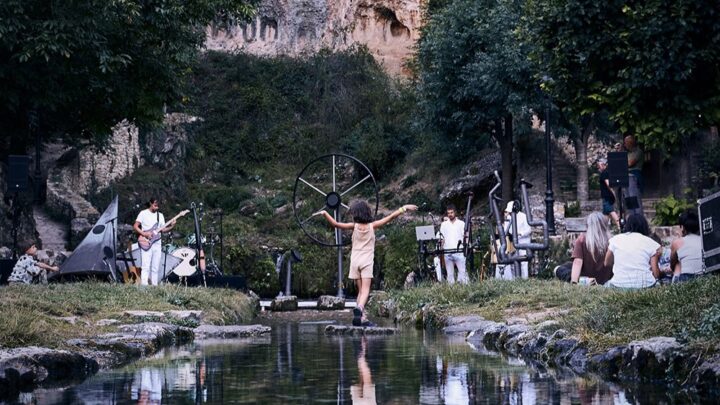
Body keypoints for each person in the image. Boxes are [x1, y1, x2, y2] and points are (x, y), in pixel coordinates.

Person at [317, 201, 417, 326]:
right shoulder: (373, 225)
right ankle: (359, 309)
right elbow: (391, 217)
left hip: (355, 261)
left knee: (360, 291)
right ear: (366, 213)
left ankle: (361, 319)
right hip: (366, 261)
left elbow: (335, 224)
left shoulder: (353, 226)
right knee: (365, 291)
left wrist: (325, 213)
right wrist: (404, 208)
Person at [553, 212, 614, 285]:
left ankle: (583, 281)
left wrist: (574, 281)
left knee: (558, 269)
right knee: (568, 264)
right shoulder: (612, 241)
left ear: (588, 225)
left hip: (586, 277)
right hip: (605, 280)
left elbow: (578, 262)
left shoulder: (582, 239)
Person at [604, 213, 661, 289]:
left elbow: (607, 263)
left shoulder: (616, 239)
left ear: (627, 225)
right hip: (646, 285)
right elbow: (656, 274)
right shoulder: (650, 242)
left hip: (619, 284)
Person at [134, 198, 175, 286]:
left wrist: (172, 226)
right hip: (146, 241)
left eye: (158, 205)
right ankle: (144, 285)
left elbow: (163, 230)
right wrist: (144, 234)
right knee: (145, 265)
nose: (157, 207)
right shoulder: (143, 213)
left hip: (157, 243)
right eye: (155, 205)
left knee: (155, 266)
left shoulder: (160, 215)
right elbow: (136, 226)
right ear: (150, 203)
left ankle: (155, 285)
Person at [495, 200, 531, 279]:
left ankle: (525, 280)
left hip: (523, 243)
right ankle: (515, 280)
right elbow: (506, 230)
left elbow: (529, 230)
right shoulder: (508, 217)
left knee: (523, 263)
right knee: (512, 262)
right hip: (512, 243)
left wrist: (520, 233)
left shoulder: (523, 216)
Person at [670, 209, 703, 282]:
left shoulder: (677, 242)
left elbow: (672, 264)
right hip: (705, 276)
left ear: (682, 227)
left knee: (678, 264)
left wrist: (680, 237)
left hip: (687, 278)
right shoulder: (704, 240)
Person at [439, 205, 468, 284]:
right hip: (447, 252)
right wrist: (441, 249)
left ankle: (466, 289)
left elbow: (465, 237)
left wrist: (466, 247)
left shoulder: (461, 223)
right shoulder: (444, 224)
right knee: (450, 275)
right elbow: (442, 238)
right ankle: (451, 293)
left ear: (455, 213)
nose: (450, 214)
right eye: (448, 213)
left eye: (451, 212)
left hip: (459, 251)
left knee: (463, 273)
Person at [623, 134, 644, 216]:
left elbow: (630, 163)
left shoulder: (638, 152)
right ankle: (632, 218)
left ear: (630, 143)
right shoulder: (628, 153)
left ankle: (639, 218)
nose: (624, 145)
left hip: (634, 176)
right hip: (626, 176)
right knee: (629, 200)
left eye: (626, 143)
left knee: (635, 198)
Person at [597, 158, 620, 229]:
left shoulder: (604, 173)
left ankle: (619, 226)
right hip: (606, 196)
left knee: (610, 211)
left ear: (603, 164)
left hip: (607, 196)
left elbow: (608, 184)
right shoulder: (607, 172)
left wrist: (613, 193)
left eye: (599, 165)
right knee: (606, 213)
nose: (598, 167)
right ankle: (604, 228)